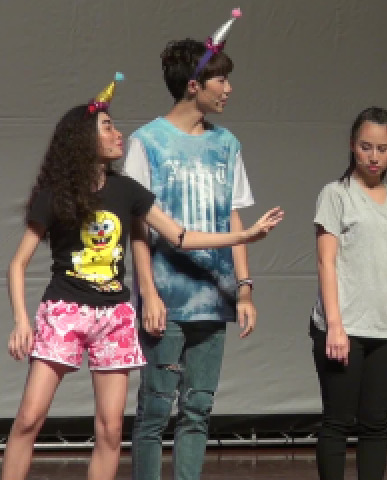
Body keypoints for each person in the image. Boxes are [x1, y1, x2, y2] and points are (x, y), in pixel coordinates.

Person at [2, 75, 283, 480]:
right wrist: (21, 321)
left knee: (111, 429)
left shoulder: (126, 190)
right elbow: (17, 263)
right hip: (65, 309)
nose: (118, 134)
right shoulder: (55, 195)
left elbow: (179, 236)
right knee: (29, 418)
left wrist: (244, 236)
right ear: (82, 140)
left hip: (114, 316)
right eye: (108, 127)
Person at [123, 11, 259, 480]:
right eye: (221, 80)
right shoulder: (147, 143)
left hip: (214, 296)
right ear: (194, 85)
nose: (228, 89)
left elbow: (234, 216)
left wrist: (244, 289)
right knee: (154, 411)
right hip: (166, 297)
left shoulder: (227, 144)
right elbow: (137, 227)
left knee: (198, 410)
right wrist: (149, 294)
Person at [311, 107, 387, 480]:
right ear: (352, 145)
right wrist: (335, 326)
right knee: (338, 421)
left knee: (376, 424)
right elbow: (326, 262)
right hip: (344, 327)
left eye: (383, 148)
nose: (374, 156)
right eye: (366, 147)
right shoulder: (336, 194)